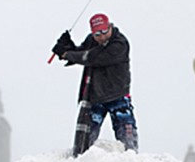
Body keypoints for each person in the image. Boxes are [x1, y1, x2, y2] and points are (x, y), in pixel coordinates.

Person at [52, 13, 139, 152]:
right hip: (95, 97)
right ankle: (80, 161)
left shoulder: (120, 43)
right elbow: (81, 53)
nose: (102, 36)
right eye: (97, 34)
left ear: (110, 27)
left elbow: (91, 57)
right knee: (84, 143)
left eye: (104, 31)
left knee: (128, 142)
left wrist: (67, 54)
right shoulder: (91, 40)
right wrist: (67, 48)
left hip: (118, 95)